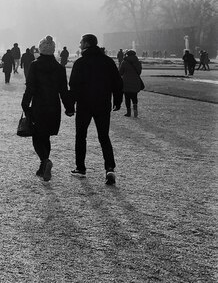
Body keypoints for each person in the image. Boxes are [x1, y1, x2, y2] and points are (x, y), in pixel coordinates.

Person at [69, 33, 123, 185]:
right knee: (104, 136)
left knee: (81, 136)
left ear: (86, 44)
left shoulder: (80, 62)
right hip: (103, 103)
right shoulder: (107, 61)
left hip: (85, 103)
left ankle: (81, 167)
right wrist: (118, 100)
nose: (79, 45)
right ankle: (110, 167)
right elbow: (117, 83)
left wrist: (70, 106)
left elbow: (73, 85)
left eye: (81, 42)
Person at [21, 36, 74, 181]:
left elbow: (30, 87)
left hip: (39, 104)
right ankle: (43, 166)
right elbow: (64, 90)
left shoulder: (35, 65)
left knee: (37, 136)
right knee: (46, 136)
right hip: (54, 105)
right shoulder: (59, 68)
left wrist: (25, 104)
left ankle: (45, 161)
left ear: (41, 49)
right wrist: (69, 107)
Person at [119, 49, 143, 117]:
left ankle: (128, 112)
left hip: (126, 82)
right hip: (135, 81)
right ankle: (135, 110)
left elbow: (120, 72)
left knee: (127, 98)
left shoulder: (124, 62)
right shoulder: (138, 62)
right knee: (134, 96)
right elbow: (139, 72)